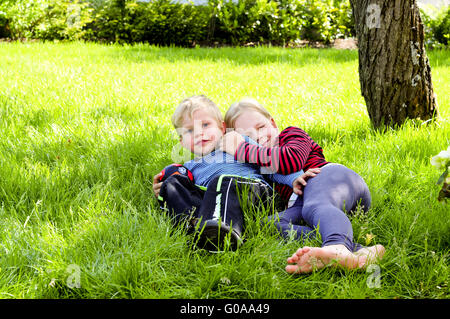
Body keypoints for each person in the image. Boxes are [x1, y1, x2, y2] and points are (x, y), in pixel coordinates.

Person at [221, 98, 385, 273]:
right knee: (267, 224)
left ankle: (337, 247)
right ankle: (360, 252)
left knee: (313, 207)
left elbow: (290, 159)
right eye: (248, 137)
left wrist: (241, 148)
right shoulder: (258, 164)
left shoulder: (291, 135)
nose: (258, 137)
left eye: (261, 127)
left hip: (332, 178)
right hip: (304, 202)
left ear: (273, 123)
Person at [152, 95, 318, 252]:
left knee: (223, 181)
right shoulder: (190, 167)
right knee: (174, 182)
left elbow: (268, 166)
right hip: (215, 199)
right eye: (189, 130)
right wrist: (165, 188)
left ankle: (222, 229)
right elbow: (186, 192)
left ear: (222, 128)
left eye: (205, 125)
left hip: (256, 194)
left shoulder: (236, 144)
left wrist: (294, 178)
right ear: (182, 141)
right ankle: (193, 225)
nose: (199, 133)